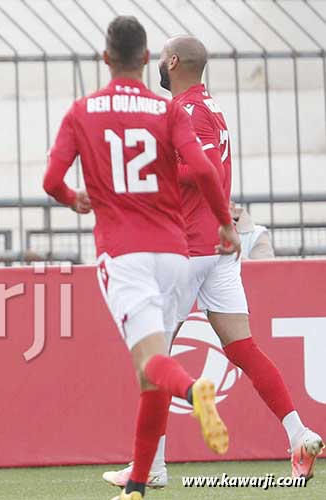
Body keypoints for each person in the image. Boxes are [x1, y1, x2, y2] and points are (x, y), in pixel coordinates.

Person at [103, 35, 322, 490]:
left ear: (174, 62)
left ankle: (151, 469)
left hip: (190, 249)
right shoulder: (211, 108)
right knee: (241, 348)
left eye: (162, 59)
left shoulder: (185, 110)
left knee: (155, 358)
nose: (157, 66)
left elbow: (201, 171)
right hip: (216, 249)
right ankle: (299, 434)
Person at [43, 17, 240, 500]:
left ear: (106, 58)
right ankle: (137, 484)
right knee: (151, 367)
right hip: (175, 252)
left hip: (124, 252)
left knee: (152, 364)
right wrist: (225, 224)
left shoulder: (82, 111)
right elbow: (203, 170)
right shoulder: (167, 108)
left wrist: (74, 199)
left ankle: (195, 392)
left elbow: (51, 181)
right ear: (147, 58)